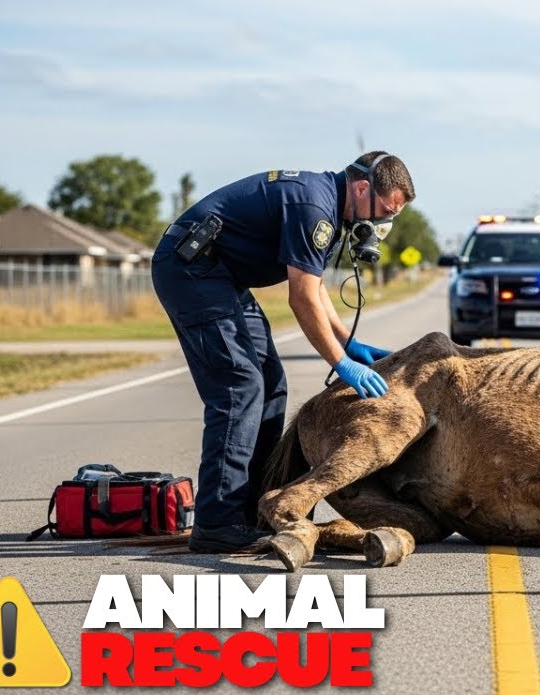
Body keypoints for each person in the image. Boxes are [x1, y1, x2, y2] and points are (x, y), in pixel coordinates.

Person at [151, 152, 415, 552]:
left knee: (271, 384)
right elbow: (302, 298)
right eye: (383, 211)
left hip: (223, 277)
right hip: (191, 270)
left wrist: (348, 341)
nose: (383, 223)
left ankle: (256, 507)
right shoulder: (315, 208)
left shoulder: (329, 205)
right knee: (240, 386)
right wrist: (341, 364)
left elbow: (316, 285)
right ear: (362, 188)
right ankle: (217, 523)